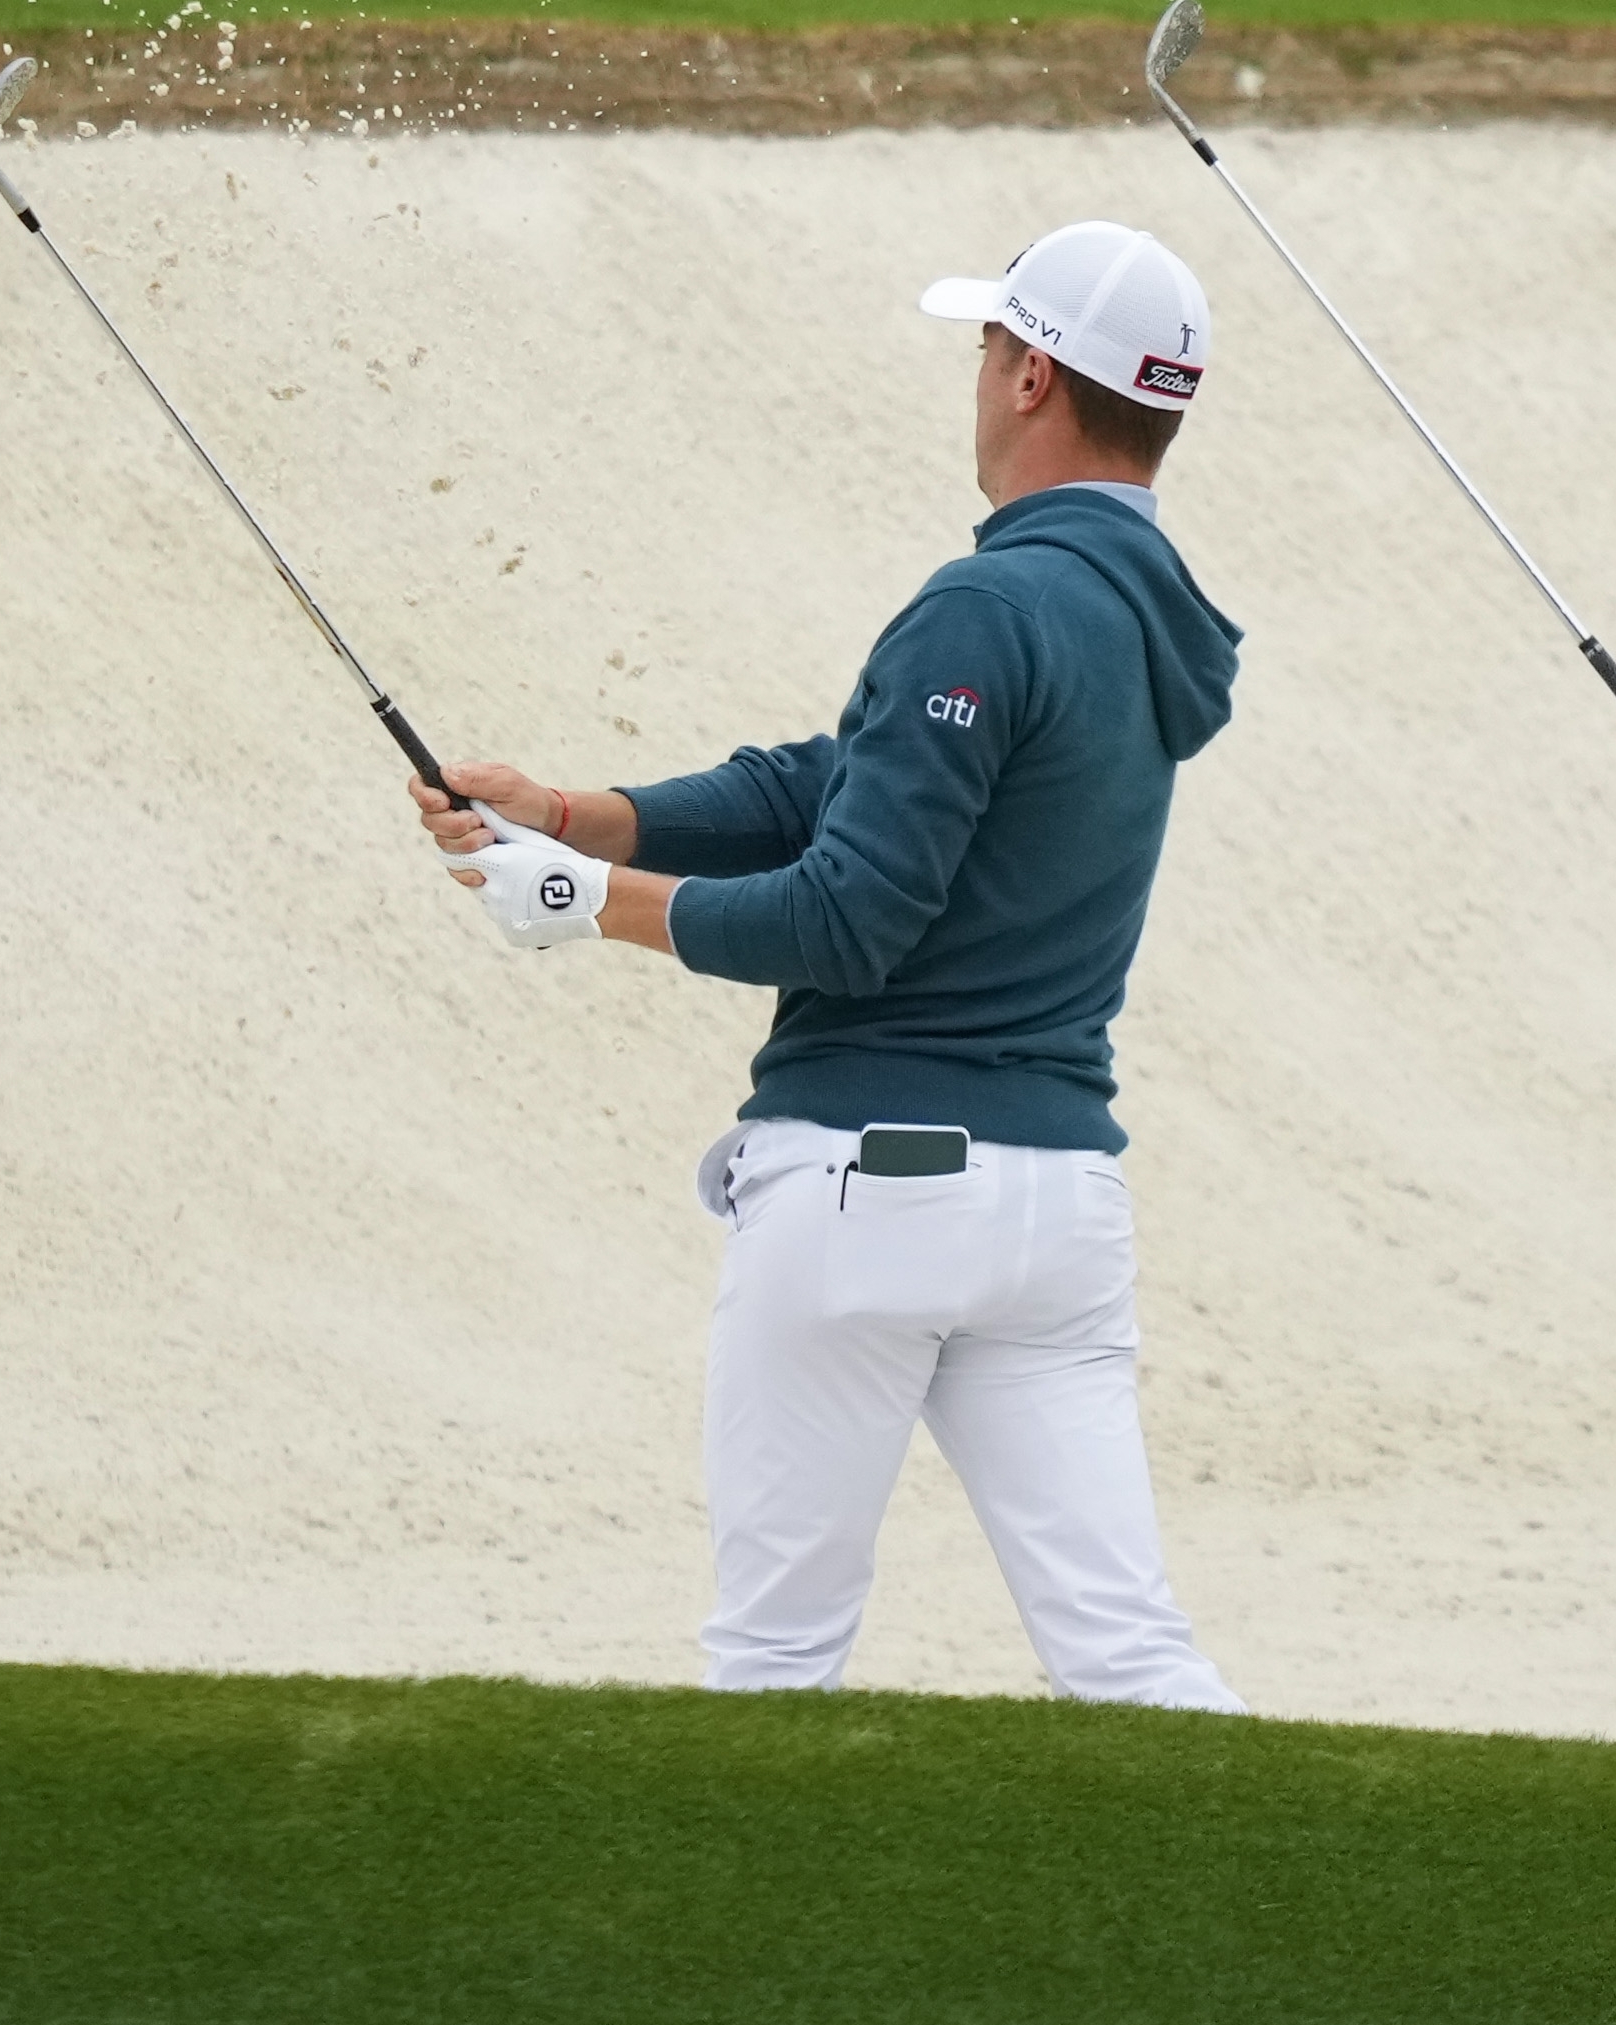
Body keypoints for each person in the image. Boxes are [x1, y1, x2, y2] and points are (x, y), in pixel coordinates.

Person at [413, 218, 1251, 1720]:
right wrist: (580, 814)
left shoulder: (986, 602)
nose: (978, 374)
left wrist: (585, 898)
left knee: (771, 1659)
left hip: (872, 1187)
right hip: (1057, 1209)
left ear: (1031, 375)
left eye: (990, 345)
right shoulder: (1144, 618)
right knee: (1130, 1655)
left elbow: (848, 912)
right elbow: (843, 776)